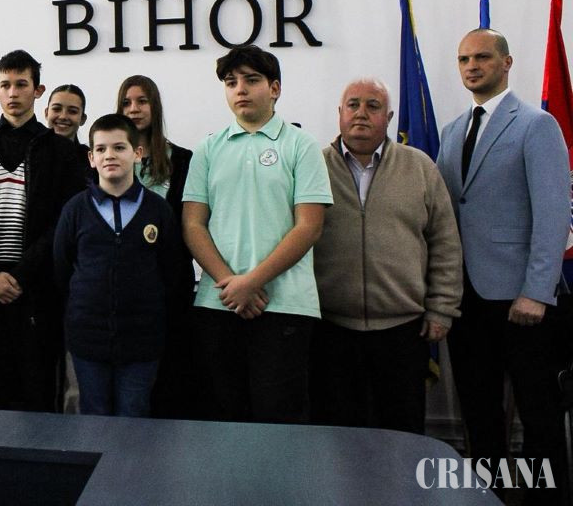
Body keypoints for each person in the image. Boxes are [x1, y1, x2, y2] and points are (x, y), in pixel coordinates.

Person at [436, 29, 569, 501]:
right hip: (465, 297)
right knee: (479, 411)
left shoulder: (536, 125)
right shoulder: (452, 131)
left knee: (538, 412)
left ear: (507, 63)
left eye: (482, 57)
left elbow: (554, 214)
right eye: (464, 59)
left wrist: (537, 291)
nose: (472, 66)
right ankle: (489, 495)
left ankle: (547, 500)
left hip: (521, 299)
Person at [181, 45, 332, 424]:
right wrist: (232, 284)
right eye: (231, 82)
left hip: (284, 305)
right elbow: (193, 225)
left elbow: (309, 226)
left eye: (251, 80)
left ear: (275, 88)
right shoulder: (208, 149)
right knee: (223, 417)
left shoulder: (301, 145)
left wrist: (252, 282)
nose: (240, 89)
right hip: (219, 302)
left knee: (278, 420)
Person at [311, 78, 462, 434]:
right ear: (339, 112)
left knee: (402, 432)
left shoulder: (420, 167)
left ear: (390, 117)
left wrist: (442, 308)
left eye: (373, 106)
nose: (361, 113)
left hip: (402, 331)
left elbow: (445, 242)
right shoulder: (312, 166)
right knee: (339, 433)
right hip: (331, 329)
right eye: (353, 105)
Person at [0, 50, 85, 412]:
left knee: (37, 392)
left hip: (36, 291)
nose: (13, 93)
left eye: (21, 84)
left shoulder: (60, 151)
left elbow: (63, 221)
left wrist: (22, 274)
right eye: (6, 85)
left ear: (37, 91)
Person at [54, 114, 191, 417]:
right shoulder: (75, 209)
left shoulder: (158, 210)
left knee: (134, 414)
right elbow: (62, 270)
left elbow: (172, 271)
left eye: (119, 147)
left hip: (142, 340)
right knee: (93, 416)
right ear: (91, 158)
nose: (109, 155)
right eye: (101, 149)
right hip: (87, 339)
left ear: (137, 153)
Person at [116, 74, 196, 418]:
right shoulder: (111, 159)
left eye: (142, 101)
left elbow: (190, 227)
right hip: (121, 289)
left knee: (169, 383)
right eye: (127, 103)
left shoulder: (183, 160)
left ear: (155, 106)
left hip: (168, 287)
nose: (134, 109)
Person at [44, 84, 91, 179]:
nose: (63, 116)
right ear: (46, 113)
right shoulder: (30, 152)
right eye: (57, 109)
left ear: (83, 119)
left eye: (72, 111)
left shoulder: (90, 161)